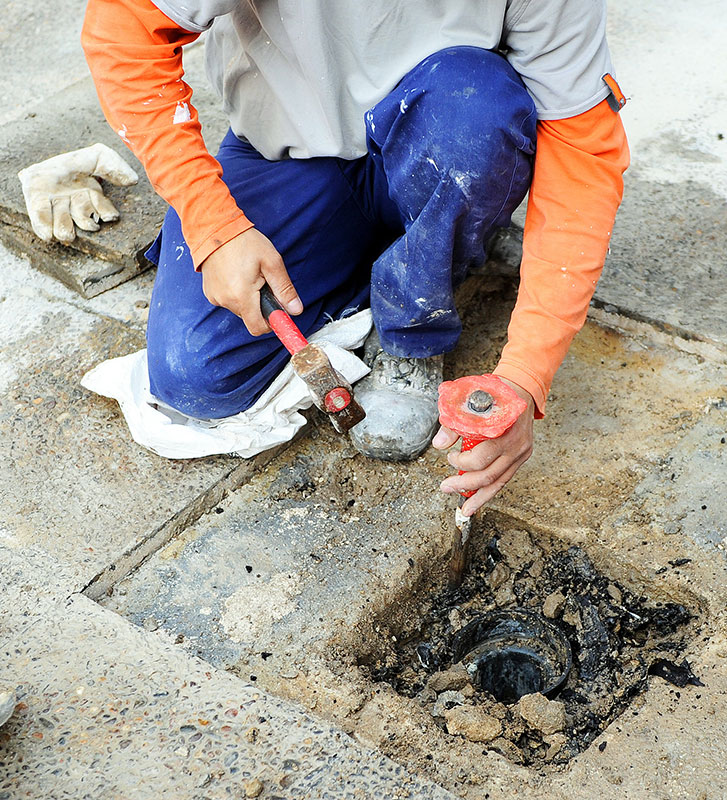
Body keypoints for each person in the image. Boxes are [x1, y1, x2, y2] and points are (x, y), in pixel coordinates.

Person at [80, 0, 629, 517]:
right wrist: (213, 223)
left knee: (476, 104)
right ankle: (400, 256)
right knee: (197, 374)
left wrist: (526, 374)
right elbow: (124, 31)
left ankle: (412, 322)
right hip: (289, 155)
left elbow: (581, 148)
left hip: (447, 141)